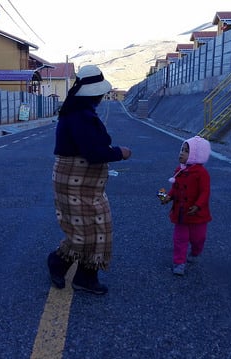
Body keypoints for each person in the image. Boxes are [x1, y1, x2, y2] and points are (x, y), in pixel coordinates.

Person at [47, 65, 132, 295]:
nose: (101, 98)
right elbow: (93, 152)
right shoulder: (80, 116)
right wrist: (119, 153)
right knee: (87, 230)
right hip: (76, 179)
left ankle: (84, 276)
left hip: (81, 182)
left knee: (92, 227)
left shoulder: (77, 112)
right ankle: (59, 262)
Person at [160, 136, 212, 276]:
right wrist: (168, 197)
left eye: (186, 151)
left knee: (198, 238)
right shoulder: (179, 170)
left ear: (197, 155)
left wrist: (198, 205)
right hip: (181, 213)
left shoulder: (202, 173)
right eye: (182, 149)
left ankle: (195, 252)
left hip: (197, 215)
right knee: (180, 239)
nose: (181, 153)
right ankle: (179, 262)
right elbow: (175, 188)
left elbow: (204, 192)